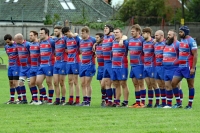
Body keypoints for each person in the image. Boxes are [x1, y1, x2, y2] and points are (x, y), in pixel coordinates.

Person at [171, 26, 198, 109]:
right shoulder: (182, 41)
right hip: (180, 67)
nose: (180, 33)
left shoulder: (191, 41)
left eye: (181, 32)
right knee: (173, 83)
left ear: (186, 32)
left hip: (188, 67)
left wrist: (193, 68)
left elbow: (195, 55)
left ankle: (189, 105)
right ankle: (179, 103)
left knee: (190, 85)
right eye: (179, 32)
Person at [128, 24, 146, 108]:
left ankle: (143, 102)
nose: (131, 33)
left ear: (138, 31)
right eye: (131, 31)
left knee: (141, 83)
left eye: (133, 31)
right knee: (135, 84)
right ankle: (137, 102)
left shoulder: (142, 40)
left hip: (140, 65)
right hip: (132, 65)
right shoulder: (130, 40)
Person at [36, 27, 55, 105]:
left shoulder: (51, 41)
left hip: (49, 65)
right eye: (39, 33)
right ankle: (46, 98)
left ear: (46, 34)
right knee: (38, 82)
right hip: (41, 65)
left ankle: (50, 100)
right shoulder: (40, 42)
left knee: (49, 82)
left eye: (41, 33)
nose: (40, 35)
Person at [62, 27, 81, 105]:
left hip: (76, 62)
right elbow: (66, 49)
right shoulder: (66, 39)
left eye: (67, 34)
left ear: (70, 31)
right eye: (65, 35)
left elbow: (81, 47)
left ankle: (77, 100)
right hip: (69, 62)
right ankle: (70, 99)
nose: (67, 35)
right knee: (70, 81)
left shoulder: (76, 38)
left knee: (76, 81)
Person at [111, 28, 129, 107]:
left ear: (121, 33)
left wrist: (123, 39)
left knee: (123, 83)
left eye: (117, 32)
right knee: (115, 84)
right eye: (114, 32)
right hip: (114, 66)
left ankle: (125, 101)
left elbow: (126, 37)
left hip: (122, 66)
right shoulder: (113, 41)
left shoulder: (125, 42)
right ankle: (117, 101)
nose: (115, 34)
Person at [162, 29, 180, 108]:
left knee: (174, 86)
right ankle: (169, 104)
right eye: (167, 34)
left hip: (174, 68)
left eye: (170, 35)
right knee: (167, 86)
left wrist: (175, 63)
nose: (168, 36)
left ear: (174, 36)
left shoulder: (178, 44)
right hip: (166, 69)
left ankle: (178, 103)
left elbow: (182, 56)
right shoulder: (166, 44)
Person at [79, 26, 96, 106]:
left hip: (90, 64)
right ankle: (84, 100)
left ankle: (88, 101)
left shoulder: (93, 40)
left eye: (83, 33)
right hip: (82, 64)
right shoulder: (81, 41)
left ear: (87, 33)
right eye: (81, 33)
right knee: (82, 83)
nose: (81, 35)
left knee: (87, 83)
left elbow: (99, 43)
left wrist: (95, 45)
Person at [142, 27, 159, 108]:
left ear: (148, 33)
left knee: (154, 84)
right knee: (148, 85)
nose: (143, 35)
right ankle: (150, 103)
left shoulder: (154, 42)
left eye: (144, 33)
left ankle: (158, 102)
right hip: (145, 66)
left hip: (152, 66)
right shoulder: (144, 42)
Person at [15, 33, 31, 104]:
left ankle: (34, 98)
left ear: (19, 39)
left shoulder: (28, 44)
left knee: (30, 83)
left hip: (29, 67)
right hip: (22, 68)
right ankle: (24, 99)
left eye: (15, 40)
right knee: (20, 82)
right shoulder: (17, 45)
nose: (14, 41)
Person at [52, 26, 67, 105]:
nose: (55, 32)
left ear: (61, 31)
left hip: (63, 62)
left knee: (61, 82)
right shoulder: (55, 40)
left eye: (56, 31)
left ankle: (63, 99)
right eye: (54, 31)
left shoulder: (64, 39)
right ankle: (57, 99)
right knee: (55, 82)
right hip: (56, 62)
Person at [4, 34, 21, 104]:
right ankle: (12, 99)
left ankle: (20, 98)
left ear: (11, 39)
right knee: (11, 83)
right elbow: (8, 55)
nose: (7, 44)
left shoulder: (17, 46)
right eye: (6, 42)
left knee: (15, 82)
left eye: (8, 42)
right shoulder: (6, 47)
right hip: (10, 67)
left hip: (16, 66)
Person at [29, 31, 41, 105]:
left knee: (38, 83)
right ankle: (35, 100)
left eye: (31, 35)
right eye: (29, 35)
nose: (30, 37)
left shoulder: (39, 44)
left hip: (38, 66)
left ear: (36, 36)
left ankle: (44, 98)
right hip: (32, 67)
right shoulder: (30, 44)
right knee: (31, 83)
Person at [154, 30, 165, 107]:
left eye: (156, 35)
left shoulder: (166, 43)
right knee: (160, 85)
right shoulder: (155, 44)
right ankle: (163, 102)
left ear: (161, 36)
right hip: (156, 67)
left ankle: (167, 102)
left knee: (165, 85)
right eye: (155, 35)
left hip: (163, 67)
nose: (155, 37)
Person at [94, 32, 106, 106]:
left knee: (104, 84)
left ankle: (108, 99)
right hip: (99, 67)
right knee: (101, 85)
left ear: (102, 38)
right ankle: (104, 100)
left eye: (97, 37)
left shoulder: (105, 44)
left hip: (106, 66)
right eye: (96, 37)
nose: (96, 39)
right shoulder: (96, 45)